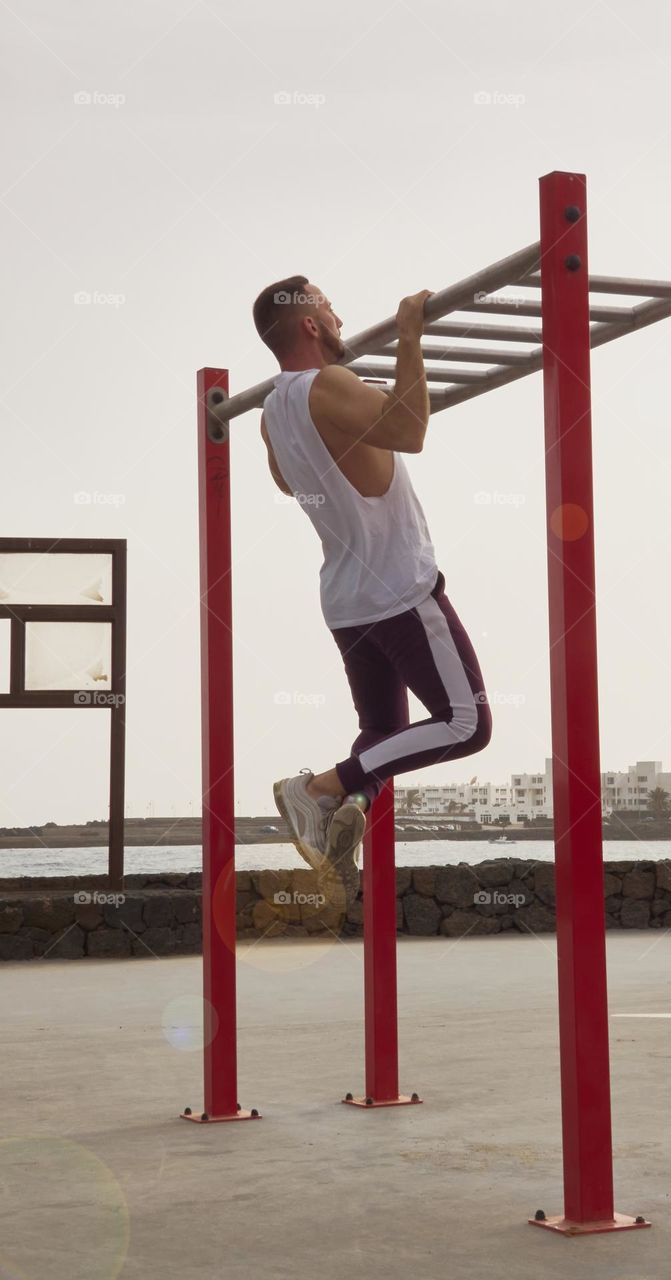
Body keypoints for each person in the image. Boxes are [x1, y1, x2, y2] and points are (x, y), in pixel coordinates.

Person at [252, 275, 493, 907]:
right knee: (467, 725)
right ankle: (320, 789)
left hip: (345, 600)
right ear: (309, 324)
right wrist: (410, 335)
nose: (337, 313)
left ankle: (346, 803)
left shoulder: (272, 414)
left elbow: (287, 483)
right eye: (327, 304)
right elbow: (411, 429)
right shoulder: (330, 387)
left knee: (383, 731)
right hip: (401, 591)